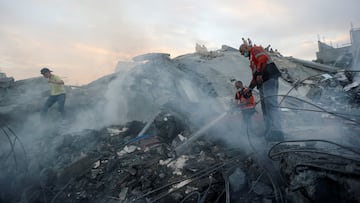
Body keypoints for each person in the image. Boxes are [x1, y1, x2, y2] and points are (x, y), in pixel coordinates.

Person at [239, 43, 283, 141]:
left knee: (270, 104)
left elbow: (263, 58)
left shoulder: (255, 49)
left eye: (242, 51)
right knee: (265, 108)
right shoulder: (252, 61)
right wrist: (250, 89)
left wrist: (259, 72)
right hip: (262, 83)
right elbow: (255, 77)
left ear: (246, 47)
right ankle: (269, 130)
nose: (242, 54)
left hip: (268, 77)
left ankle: (277, 131)